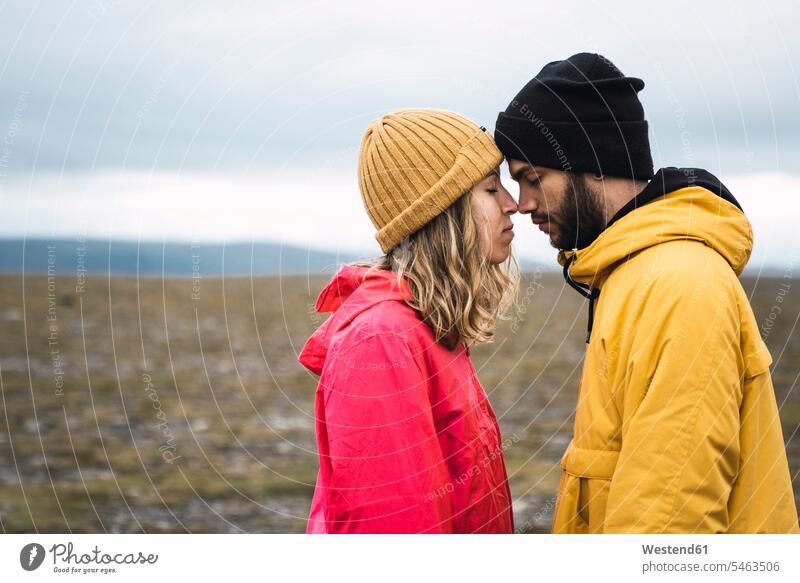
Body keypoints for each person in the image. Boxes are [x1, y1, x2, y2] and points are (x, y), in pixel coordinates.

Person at [494, 52, 799, 533]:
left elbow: (670, 519)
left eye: (533, 178)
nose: (523, 204)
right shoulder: (631, 275)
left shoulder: (677, 286)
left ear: (592, 161)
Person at [299, 108, 520, 533]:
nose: (512, 204)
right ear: (443, 213)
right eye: (492, 189)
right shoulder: (382, 341)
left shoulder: (425, 328)